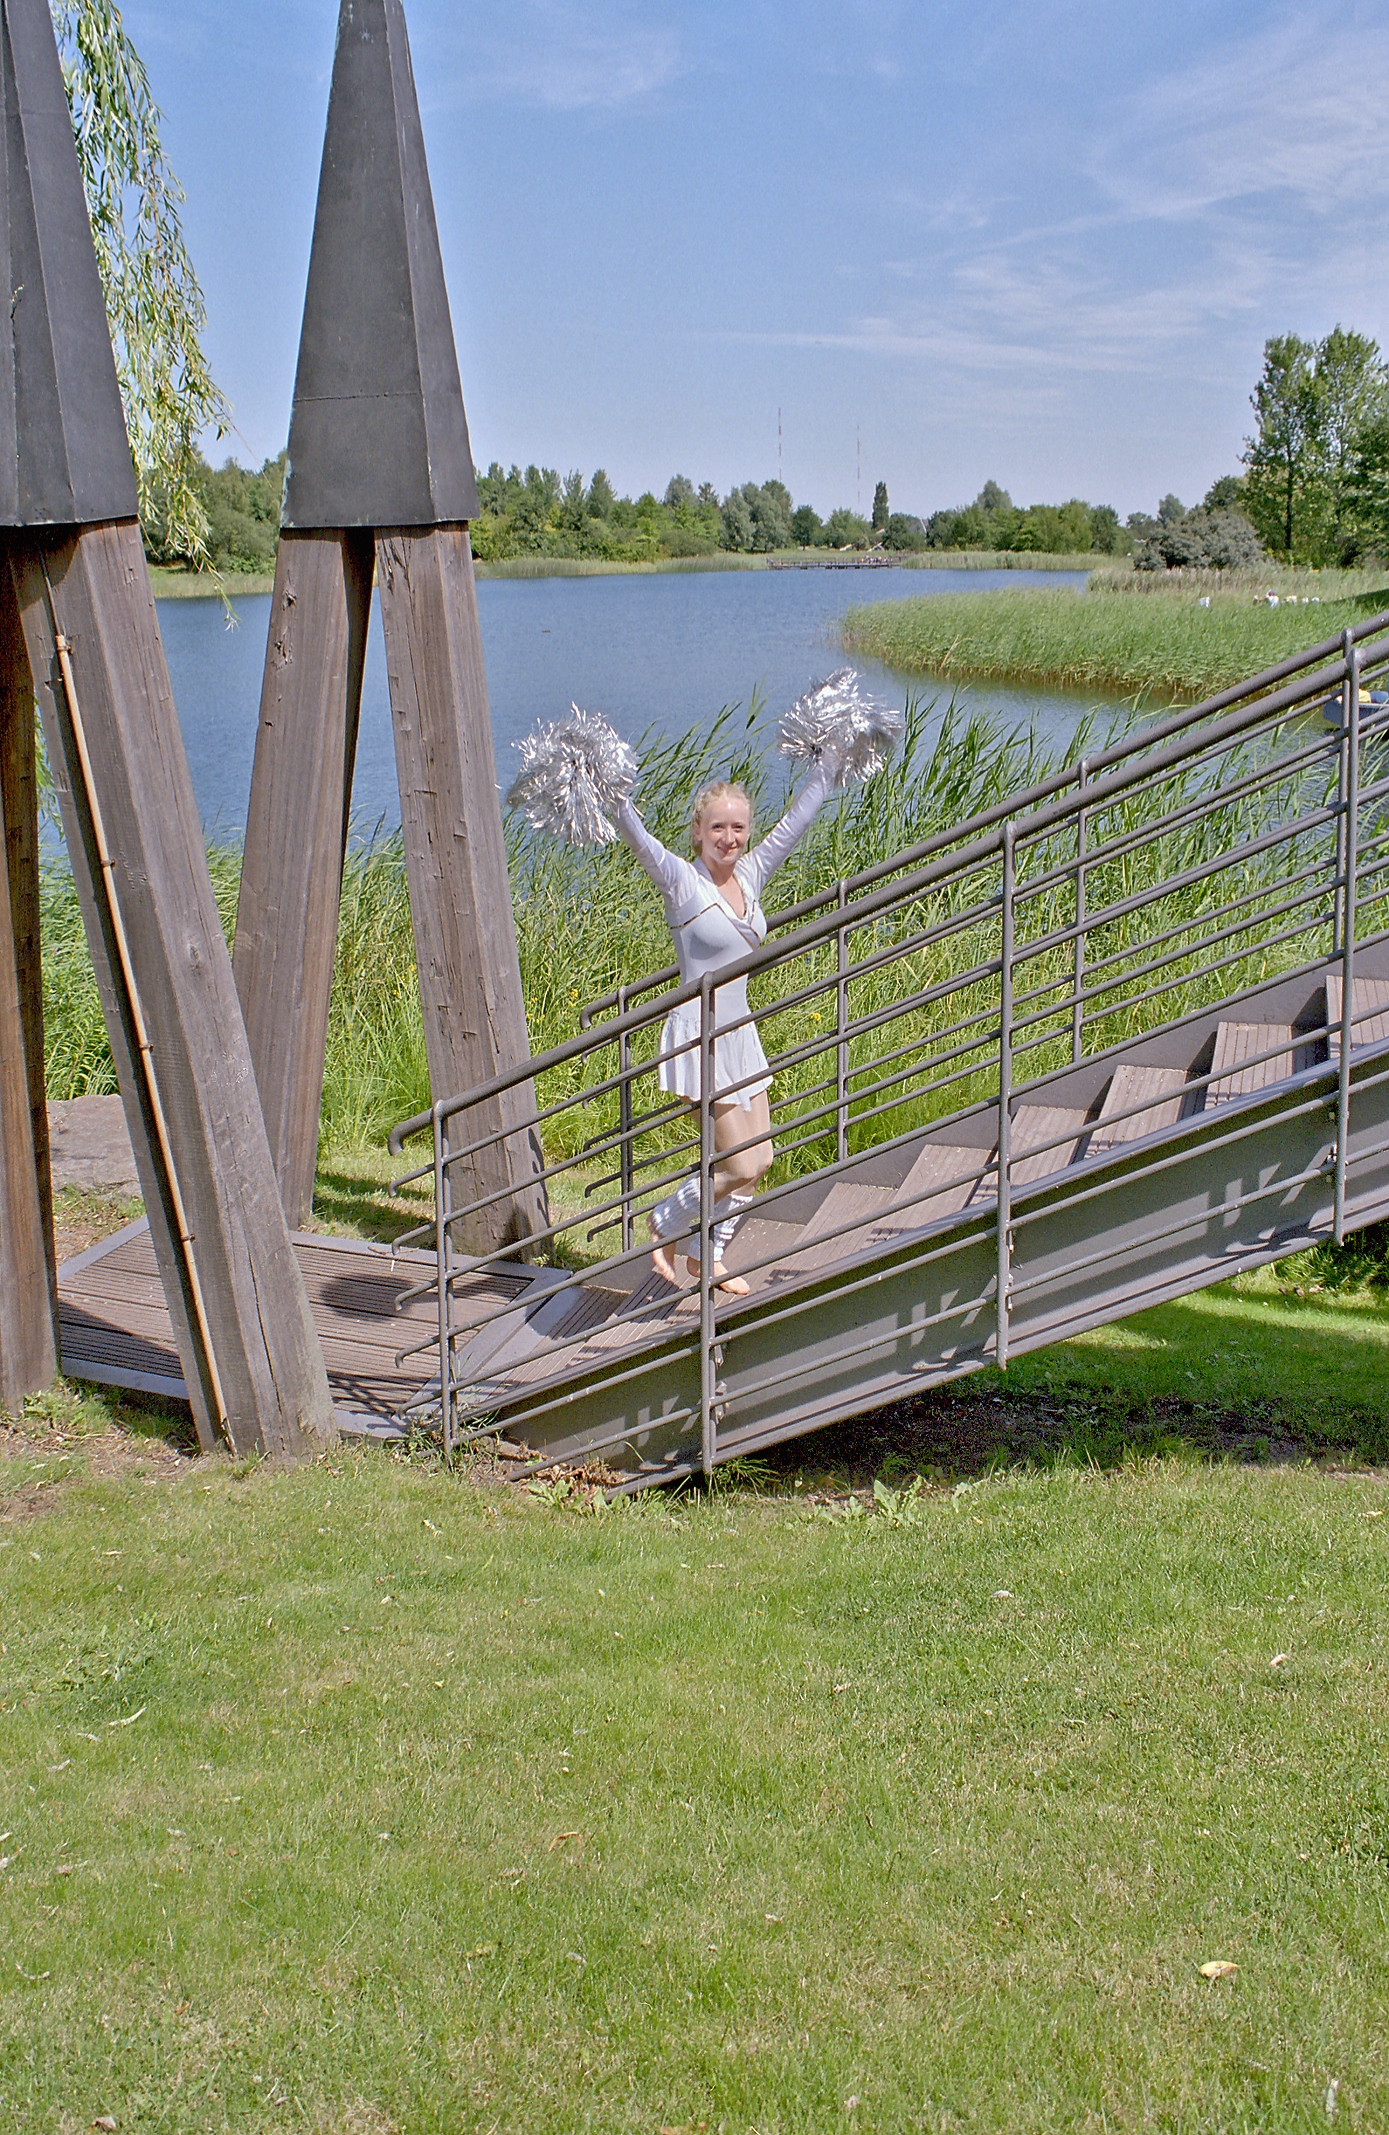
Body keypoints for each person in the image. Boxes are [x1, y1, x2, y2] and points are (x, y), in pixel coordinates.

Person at [613, 763, 835, 1293]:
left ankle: (706, 1254)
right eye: (717, 827)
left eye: (737, 827)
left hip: (741, 1031)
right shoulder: (681, 881)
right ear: (697, 830)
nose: (728, 838)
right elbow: (638, 840)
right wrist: (611, 793)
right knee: (737, 1163)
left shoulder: (752, 875)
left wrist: (828, 769)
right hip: (701, 1035)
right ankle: (665, 1221)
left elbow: (793, 826)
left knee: (763, 1159)